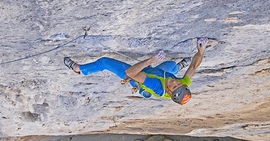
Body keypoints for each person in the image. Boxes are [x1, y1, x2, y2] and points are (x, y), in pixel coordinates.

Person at [64, 37, 209, 105]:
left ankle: (80, 70)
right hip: (157, 72)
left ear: (169, 92)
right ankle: (177, 66)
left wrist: (149, 61)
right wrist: (201, 51)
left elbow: (131, 73)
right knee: (171, 65)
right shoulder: (181, 84)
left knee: (105, 62)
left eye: (174, 86)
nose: (176, 82)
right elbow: (193, 67)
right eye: (179, 83)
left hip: (138, 76)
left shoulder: (157, 87)